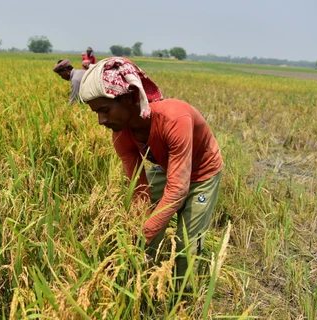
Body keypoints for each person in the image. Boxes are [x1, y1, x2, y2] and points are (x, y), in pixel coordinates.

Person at [79, 57, 223, 282]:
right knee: (138, 220)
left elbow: (178, 190)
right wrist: (142, 226)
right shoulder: (120, 133)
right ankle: (144, 279)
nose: (100, 120)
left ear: (127, 98)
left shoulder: (175, 118)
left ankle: (183, 299)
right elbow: (138, 187)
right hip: (169, 168)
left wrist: (147, 230)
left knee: (186, 244)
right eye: (96, 112)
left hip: (201, 173)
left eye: (105, 110)